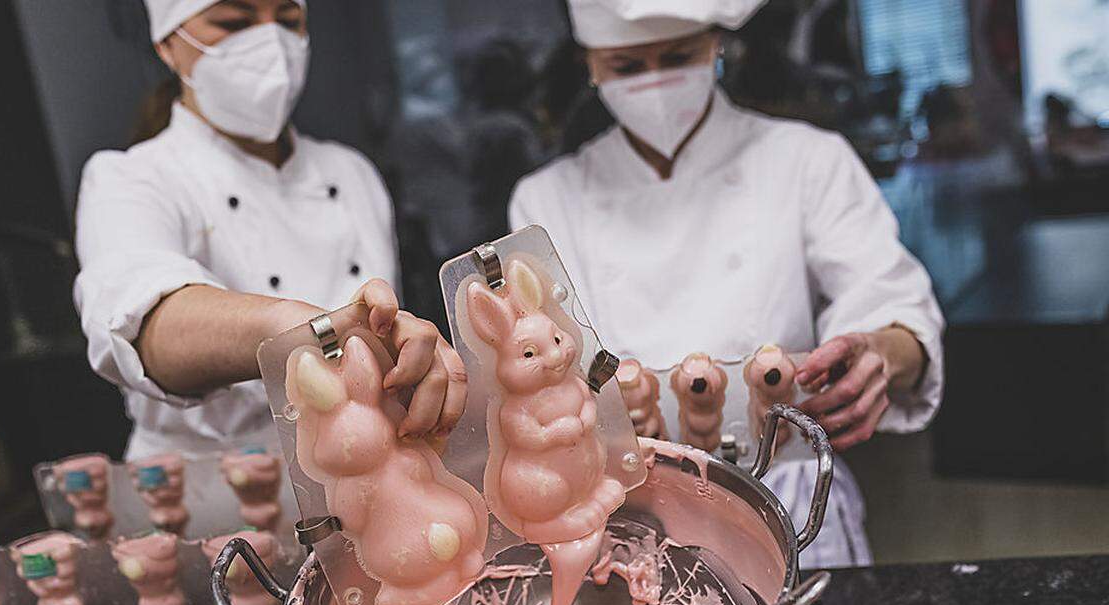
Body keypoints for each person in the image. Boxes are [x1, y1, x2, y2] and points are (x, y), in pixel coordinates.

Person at [509, 0, 944, 568]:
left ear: (718, 45)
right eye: (627, 67)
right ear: (590, 64)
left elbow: (888, 297)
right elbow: (538, 366)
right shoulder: (545, 199)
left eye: (677, 56)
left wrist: (880, 352)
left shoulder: (806, 159)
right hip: (631, 518)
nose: (655, 83)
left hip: (791, 505)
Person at [74, 0, 465, 459]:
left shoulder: (351, 171)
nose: (269, 43)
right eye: (233, 22)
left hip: (363, 466)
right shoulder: (130, 177)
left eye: (287, 20)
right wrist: (298, 330)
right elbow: (146, 327)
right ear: (167, 44)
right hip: (209, 489)